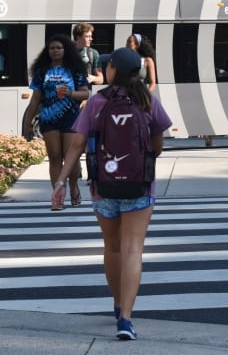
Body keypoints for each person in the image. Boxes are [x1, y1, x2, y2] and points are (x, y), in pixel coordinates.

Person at [51, 47, 172, 341]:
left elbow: (77, 145)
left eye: (109, 66)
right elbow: (157, 147)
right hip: (140, 185)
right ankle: (126, 319)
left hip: (102, 187)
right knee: (132, 249)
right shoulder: (148, 101)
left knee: (112, 247)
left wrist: (60, 182)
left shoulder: (96, 102)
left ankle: (117, 303)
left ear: (114, 70)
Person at [23, 34, 90, 209]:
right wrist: (27, 125)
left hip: (71, 118)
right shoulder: (42, 72)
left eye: (59, 48)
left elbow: (86, 94)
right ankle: (57, 196)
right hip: (48, 119)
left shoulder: (75, 70)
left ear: (66, 50)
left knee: (71, 159)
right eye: (52, 48)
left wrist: (71, 93)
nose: (55, 51)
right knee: (54, 158)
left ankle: (74, 188)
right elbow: (35, 100)